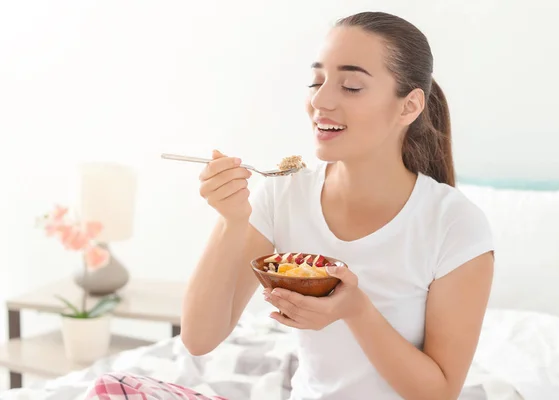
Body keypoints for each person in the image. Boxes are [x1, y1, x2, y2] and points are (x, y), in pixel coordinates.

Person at [86, 10, 494, 400]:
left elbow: (439, 392)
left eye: (350, 86)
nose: (321, 102)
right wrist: (232, 222)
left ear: (408, 106)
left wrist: (356, 311)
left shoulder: (454, 224)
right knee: (111, 388)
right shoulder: (284, 194)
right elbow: (199, 338)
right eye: (317, 82)